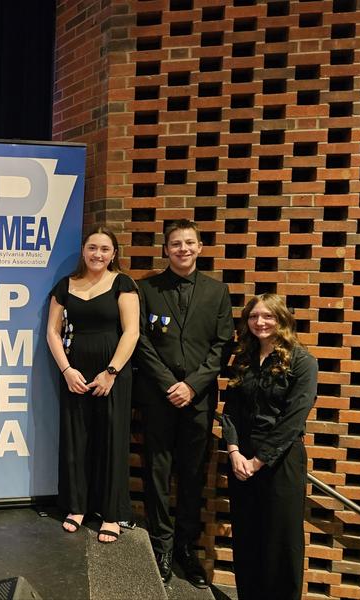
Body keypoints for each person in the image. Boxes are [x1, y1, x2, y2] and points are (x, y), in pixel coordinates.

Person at [133, 219, 233, 587]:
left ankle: (185, 548)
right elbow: (140, 341)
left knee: (192, 474)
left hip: (199, 400)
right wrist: (167, 384)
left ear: (200, 246)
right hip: (157, 397)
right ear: (165, 249)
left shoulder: (217, 291)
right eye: (175, 244)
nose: (183, 249)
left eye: (189, 243)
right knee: (156, 471)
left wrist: (191, 386)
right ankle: (161, 544)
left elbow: (223, 346)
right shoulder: (146, 288)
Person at [47, 227, 139, 543]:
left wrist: (111, 372)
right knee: (76, 438)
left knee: (111, 439)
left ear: (114, 253)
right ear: (83, 251)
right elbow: (52, 332)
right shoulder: (65, 285)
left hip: (113, 372)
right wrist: (67, 371)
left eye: (104, 249)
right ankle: (76, 506)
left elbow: (132, 333)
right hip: (76, 372)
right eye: (92, 248)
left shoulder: (123, 284)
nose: (97, 254)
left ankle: (111, 514)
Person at [222, 294, 317, 599]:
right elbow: (231, 410)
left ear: (282, 320)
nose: (259, 323)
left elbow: (293, 418)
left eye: (267, 317)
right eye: (253, 317)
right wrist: (235, 452)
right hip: (242, 460)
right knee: (247, 539)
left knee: (280, 543)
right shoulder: (244, 359)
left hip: (281, 462)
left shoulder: (303, 361)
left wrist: (258, 460)